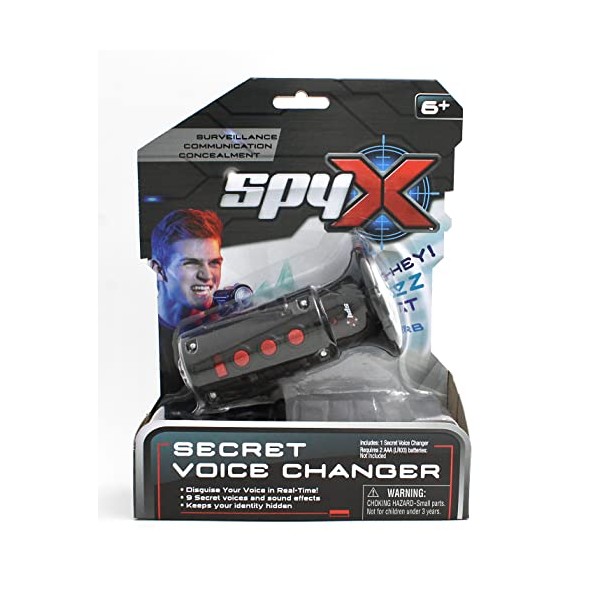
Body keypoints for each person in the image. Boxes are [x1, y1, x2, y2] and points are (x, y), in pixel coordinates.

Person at [150, 209, 224, 394]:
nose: (207, 275)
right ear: (158, 270)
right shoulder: (136, 337)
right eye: (191, 263)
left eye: (214, 263)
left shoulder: (232, 323)